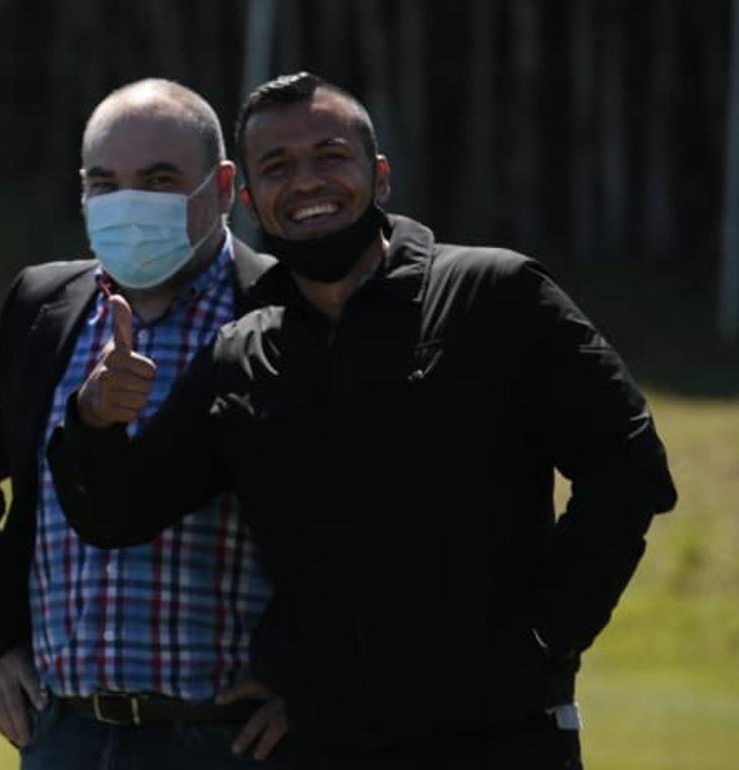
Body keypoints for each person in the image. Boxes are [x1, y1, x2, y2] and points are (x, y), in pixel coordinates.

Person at [47, 72, 677, 769]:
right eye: (278, 168)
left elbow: (628, 465)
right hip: (321, 745)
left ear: (379, 177)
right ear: (249, 200)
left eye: (330, 155)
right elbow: (118, 513)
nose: (307, 182)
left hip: (501, 740)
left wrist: (547, 636)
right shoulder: (242, 352)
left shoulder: (492, 294)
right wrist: (94, 419)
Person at [0, 79, 293, 768]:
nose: (129, 205)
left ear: (223, 186)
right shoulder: (45, 306)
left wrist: (311, 679)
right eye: (105, 183)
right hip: (67, 734)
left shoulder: (284, 310)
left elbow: (367, 524)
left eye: (158, 180)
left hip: (232, 741)